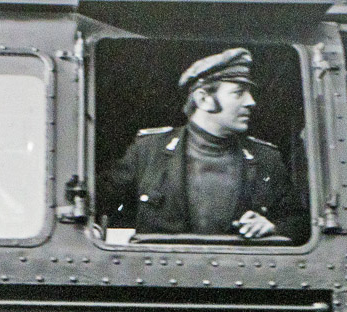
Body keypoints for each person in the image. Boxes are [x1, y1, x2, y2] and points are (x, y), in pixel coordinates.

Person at [102, 48, 303, 241]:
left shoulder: (266, 158)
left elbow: (298, 222)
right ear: (204, 99)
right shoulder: (148, 151)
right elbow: (99, 203)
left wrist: (273, 227)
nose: (251, 102)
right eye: (239, 92)